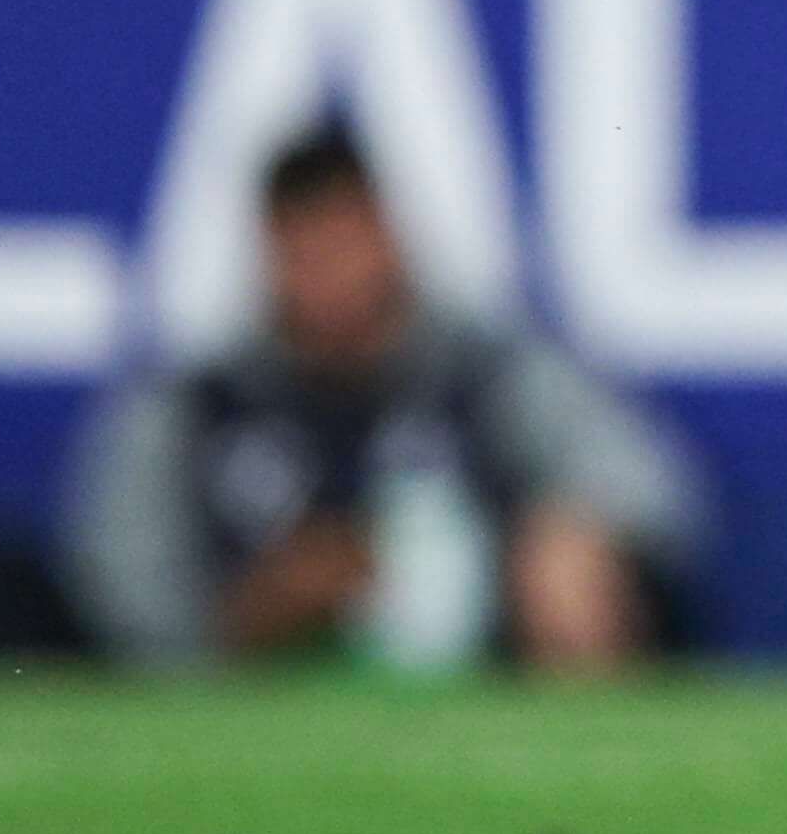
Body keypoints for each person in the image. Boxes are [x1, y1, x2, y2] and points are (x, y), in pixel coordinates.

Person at [65, 123, 703, 670]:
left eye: (345, 243)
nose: (330, 276)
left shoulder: (482, 374)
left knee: (569, 560)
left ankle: (578, 777)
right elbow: (120, 585)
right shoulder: (204, 403)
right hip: (266, 706)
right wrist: (255, 608)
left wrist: (552, 540)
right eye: (305, 251)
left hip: (483, 680)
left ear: (389, 236)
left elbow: (656, 494)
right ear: (268, 254)